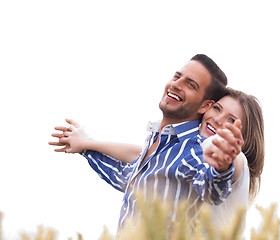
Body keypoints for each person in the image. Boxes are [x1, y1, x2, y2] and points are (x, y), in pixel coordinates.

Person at [49, 54, 244, 232]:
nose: (176, 84)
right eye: (177, 77)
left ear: (204, 105)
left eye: (190, 84)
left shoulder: (194, 149)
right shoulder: (158, 143)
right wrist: (85, 149)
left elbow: (213, 191)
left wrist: (222, 166)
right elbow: (125, 177)